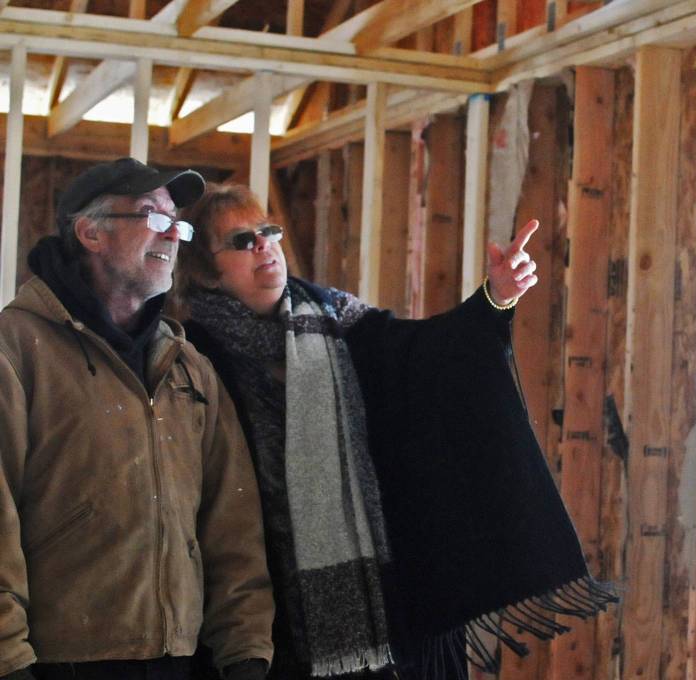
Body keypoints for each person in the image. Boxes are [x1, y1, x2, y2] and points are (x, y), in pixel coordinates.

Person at [177, 183, 616, 680]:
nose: (264, 245)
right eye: (240, 241)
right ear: (206, 273)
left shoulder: (335, 320)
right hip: (267, 619)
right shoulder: (193, 357)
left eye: (268, 231)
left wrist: (495, 298)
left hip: (382, 607)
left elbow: (430, 358)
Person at [0, 160, 274, 680]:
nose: (173, 234)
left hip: (180, 659)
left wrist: (246, 651)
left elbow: (232, 523)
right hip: (57, 662)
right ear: (91, 232)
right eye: (152, 216)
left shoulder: (187, 366)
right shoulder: (15, 350)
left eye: (179, 222)